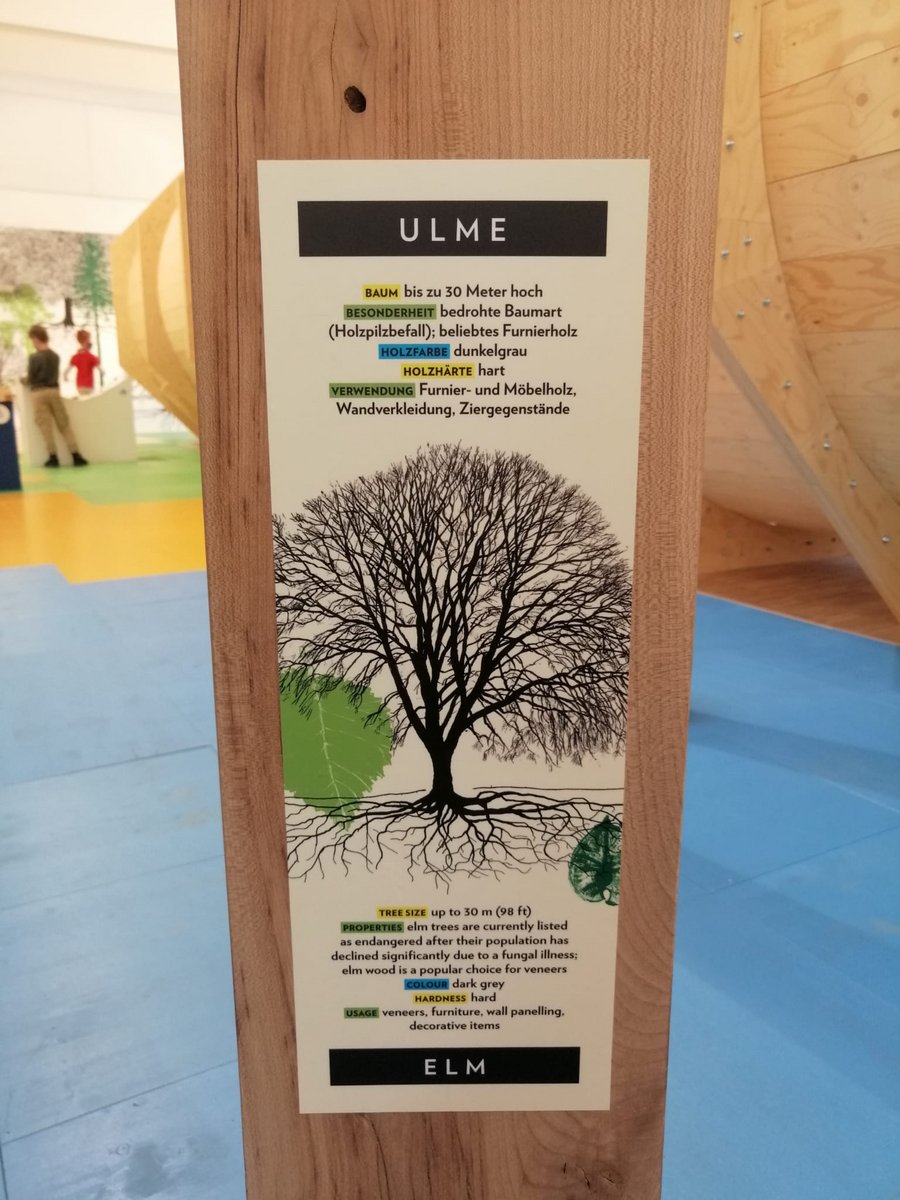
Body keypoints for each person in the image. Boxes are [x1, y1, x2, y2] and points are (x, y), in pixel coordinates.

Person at [23, 325, 88, 467]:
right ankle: (76, 455)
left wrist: (22, 380)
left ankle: (53, 457)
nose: (32, 343)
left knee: (45, 426)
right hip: (54, 391)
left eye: (32, 339)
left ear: (36, 338)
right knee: (64, 424)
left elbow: (31, 378)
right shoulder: (55, 356)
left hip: (38, 393)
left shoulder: (34, 357)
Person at [66, 328, 101, 395]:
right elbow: (100, 369)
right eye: (89, 339)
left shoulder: (76, 357)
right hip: (89, 385)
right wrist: (103, 372)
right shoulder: (91, 357)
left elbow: (67, 371)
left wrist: (65, 377)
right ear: (86, 340)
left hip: (79, 385)